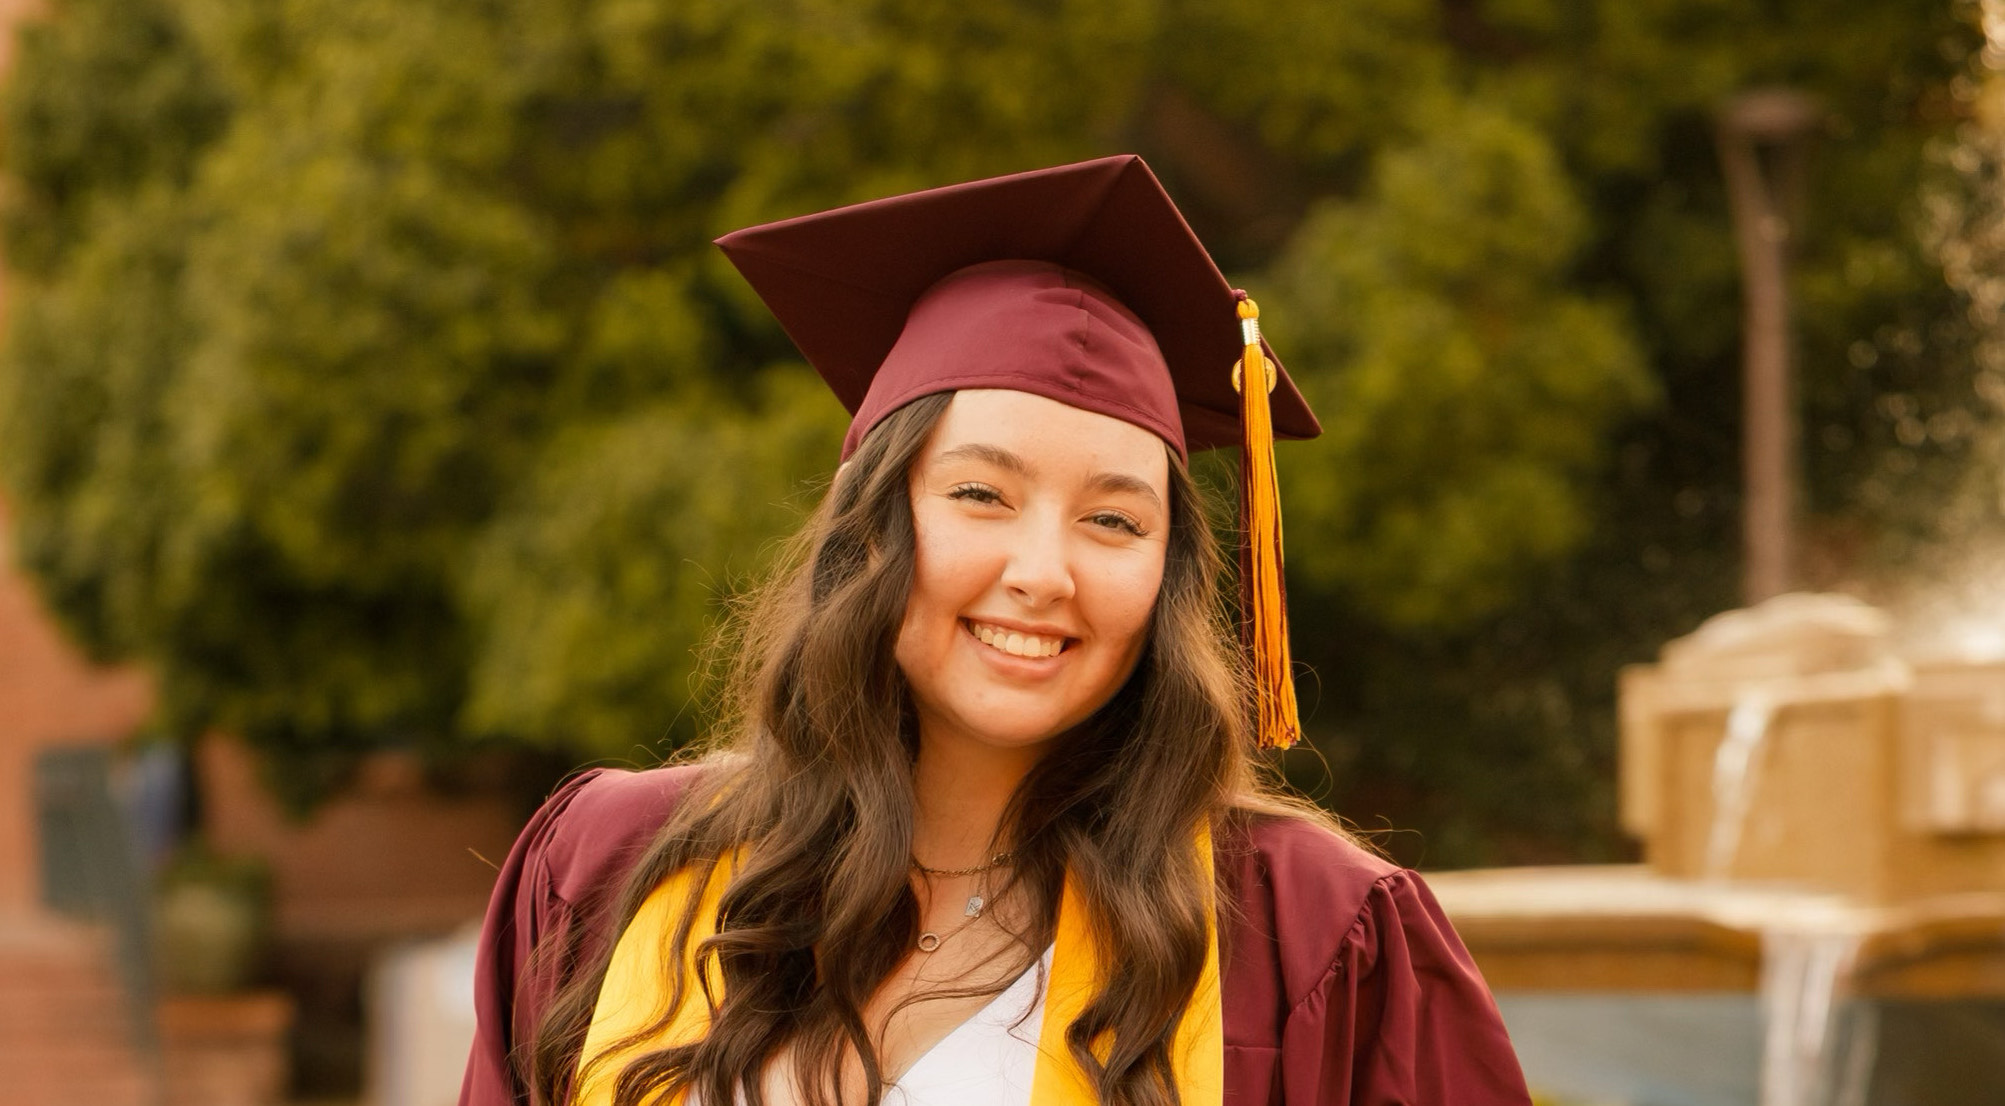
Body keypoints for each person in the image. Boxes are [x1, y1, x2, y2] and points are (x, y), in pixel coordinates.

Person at [458, 155, 1532, 1106]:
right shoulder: (614, 860)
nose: (1042, 572)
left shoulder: (1310, 931)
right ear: (873, 527)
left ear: (1167, 574)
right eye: (981, 494)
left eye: (1113, 519)